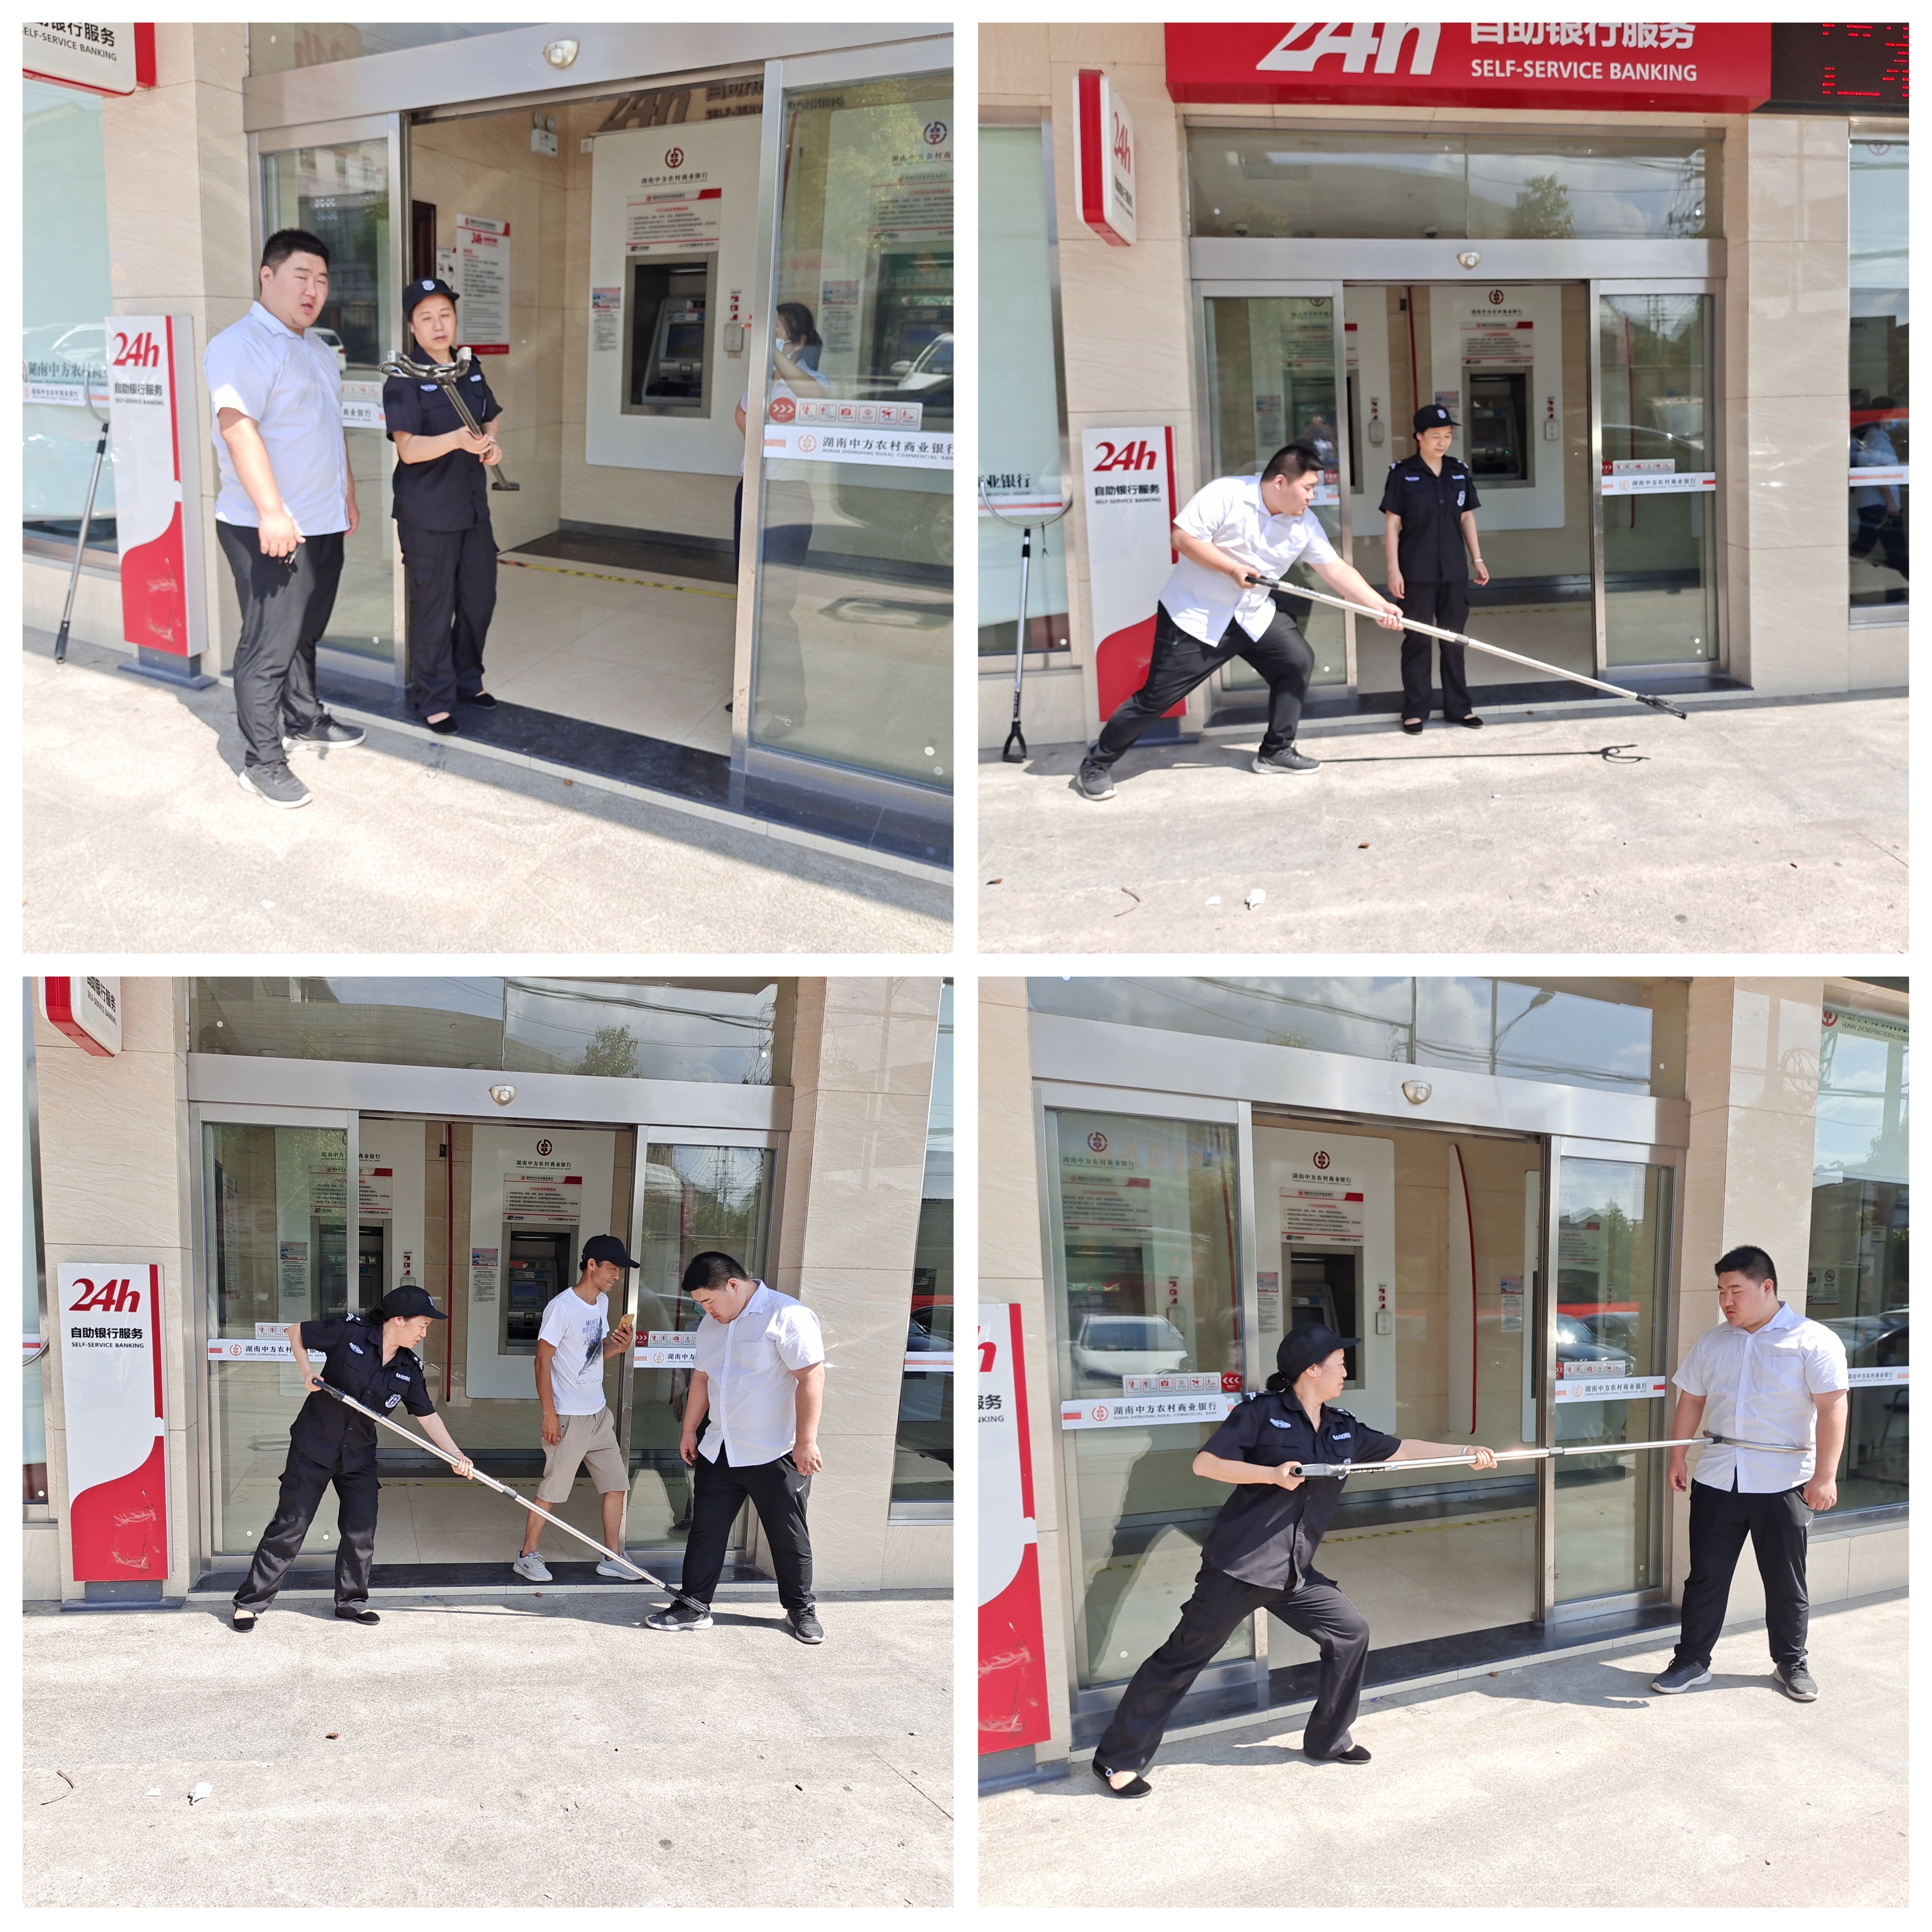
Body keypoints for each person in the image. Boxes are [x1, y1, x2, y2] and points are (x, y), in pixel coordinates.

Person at [1091, 1325, 1497, 1796]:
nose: (1345, 1371)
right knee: (1182, 1658)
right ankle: (1117, 1759)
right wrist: (1271, 1474)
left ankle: (1328, 1739)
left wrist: (1466, 1452)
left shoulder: (1342, 1426)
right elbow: (1207, 1464)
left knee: (1350, 1633)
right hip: (1240, 1567)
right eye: (1338, 1364)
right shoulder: (1260, 1414)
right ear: (1311, 1369)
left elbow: (1400, 1448)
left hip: (1294, 1572)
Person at [1074, 442, 1405, 801]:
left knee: (1296, 662)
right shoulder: (1226, 494)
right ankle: (1096, 764)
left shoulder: (1305, 523)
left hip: (1252, 615)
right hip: (1196, 617)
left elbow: (1335, 570)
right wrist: (1232, 568)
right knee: (1156, 699)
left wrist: (1379, 606)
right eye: (1309, 488)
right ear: (1281, 482)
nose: (1313, 496)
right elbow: (1182, 538)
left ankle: (1276, 750)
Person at [205, 228, 368, 810]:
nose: (313, 290)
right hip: (268, 526)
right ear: (267, 275)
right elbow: (238, 428)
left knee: (305, 632)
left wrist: (347, 494)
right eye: (302, 276)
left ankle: (303, 718)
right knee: (268, 645)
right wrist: (272, 513)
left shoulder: (318, 349)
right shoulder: (241, 344)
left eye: (322, 280)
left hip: (322, 520)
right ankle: (262, 761)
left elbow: (330, 428)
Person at [1650, 1245, 1849, 1702]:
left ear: (1767, 1287)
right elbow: (1692, 1400)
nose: (1727, 1301)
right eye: (1721, 1292)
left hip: (1785, 1481)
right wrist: (1678, 1457)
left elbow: (1832, 1408)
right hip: (1719, 1477)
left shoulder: (1812, 1340)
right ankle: (1692, 1661)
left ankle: (1791, 1662)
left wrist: (1825, 1476)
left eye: (1736, 1291)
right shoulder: (1714, 1341)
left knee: (1784, 1580)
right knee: (1706, 1576)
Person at [230, 1285, 474, 1629]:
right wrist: (306, 1371)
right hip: (313, 1447)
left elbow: (428, 1416)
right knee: (290, 1526)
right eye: (421, 1325)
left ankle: (352, 1602)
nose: (424, 1333)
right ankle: (250, 1603)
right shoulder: (350, 1333)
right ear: (399, 1319)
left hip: (358, 1457)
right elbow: (296, 1332)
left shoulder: (409, 1368)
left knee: (360, 1531)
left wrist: (455, 1453)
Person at [644, 1252, 826, 1644]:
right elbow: (701, 1379)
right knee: (706, 1530)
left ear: (733, 1285)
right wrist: (690, 1431)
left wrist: (806, 1441)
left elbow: (811, 1377)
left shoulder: (786, 1315)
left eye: (709, 1301)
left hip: (776, 1451)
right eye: (700, 1304)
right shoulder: (711, 1325)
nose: (707, 1311)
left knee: (788, 1536)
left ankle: (801, 1609)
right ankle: (693, 1605)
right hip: (721, 1447)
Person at [382, 277, 506, 735]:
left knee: (479, 599)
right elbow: (409, 449)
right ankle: (434, 698)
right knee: (434, 607)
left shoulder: (467, 367)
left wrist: (491, 443)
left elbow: (490, 416)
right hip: (428, 515)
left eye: (445, 316)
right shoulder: (404, 377)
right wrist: (456, 439)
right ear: (413, 327)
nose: (438, 326)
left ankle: (467, 680)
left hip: (472, 509)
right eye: (427, 318)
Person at [511, 1234, 639, 1580]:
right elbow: (542, 1362)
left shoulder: (601, 1303)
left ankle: (612, 1557)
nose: (616, 1276)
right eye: (612, 1268)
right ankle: (527, 1555)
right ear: (592, 1265)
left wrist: (619, 1348)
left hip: (598, 1414)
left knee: (617, 1485)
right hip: (569, 1416)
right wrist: (549, 1415)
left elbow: (591, 1356)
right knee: (552, 1491)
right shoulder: (562, 1307)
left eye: (620, 1270)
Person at [1381, 403, 1490, 734]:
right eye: (1436, 436)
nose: (1443, 442)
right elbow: (1392, 524)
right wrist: (1393, 570)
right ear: (1419, 437)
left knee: (1454, 640)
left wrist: (1477, 558)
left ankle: (1459, 707)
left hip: (1453, 570)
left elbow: (1467, 517)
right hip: (1416, 571)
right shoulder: (1402, 474)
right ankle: (1416, 709)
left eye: (1448, 436)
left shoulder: (1458, 471)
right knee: (1417, 640)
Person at [1848, 399, 1909, 600]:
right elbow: (1879, 475)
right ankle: (1897, 596)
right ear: (1885, 416)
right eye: (1894, 415)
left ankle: (1845, 578)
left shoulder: (1875, 438)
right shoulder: (1877, 440)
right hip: (1880, 506)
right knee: (1897, 551)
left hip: (1872, 505)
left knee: (1864, 546)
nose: (1897, 420)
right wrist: (1891, 503)